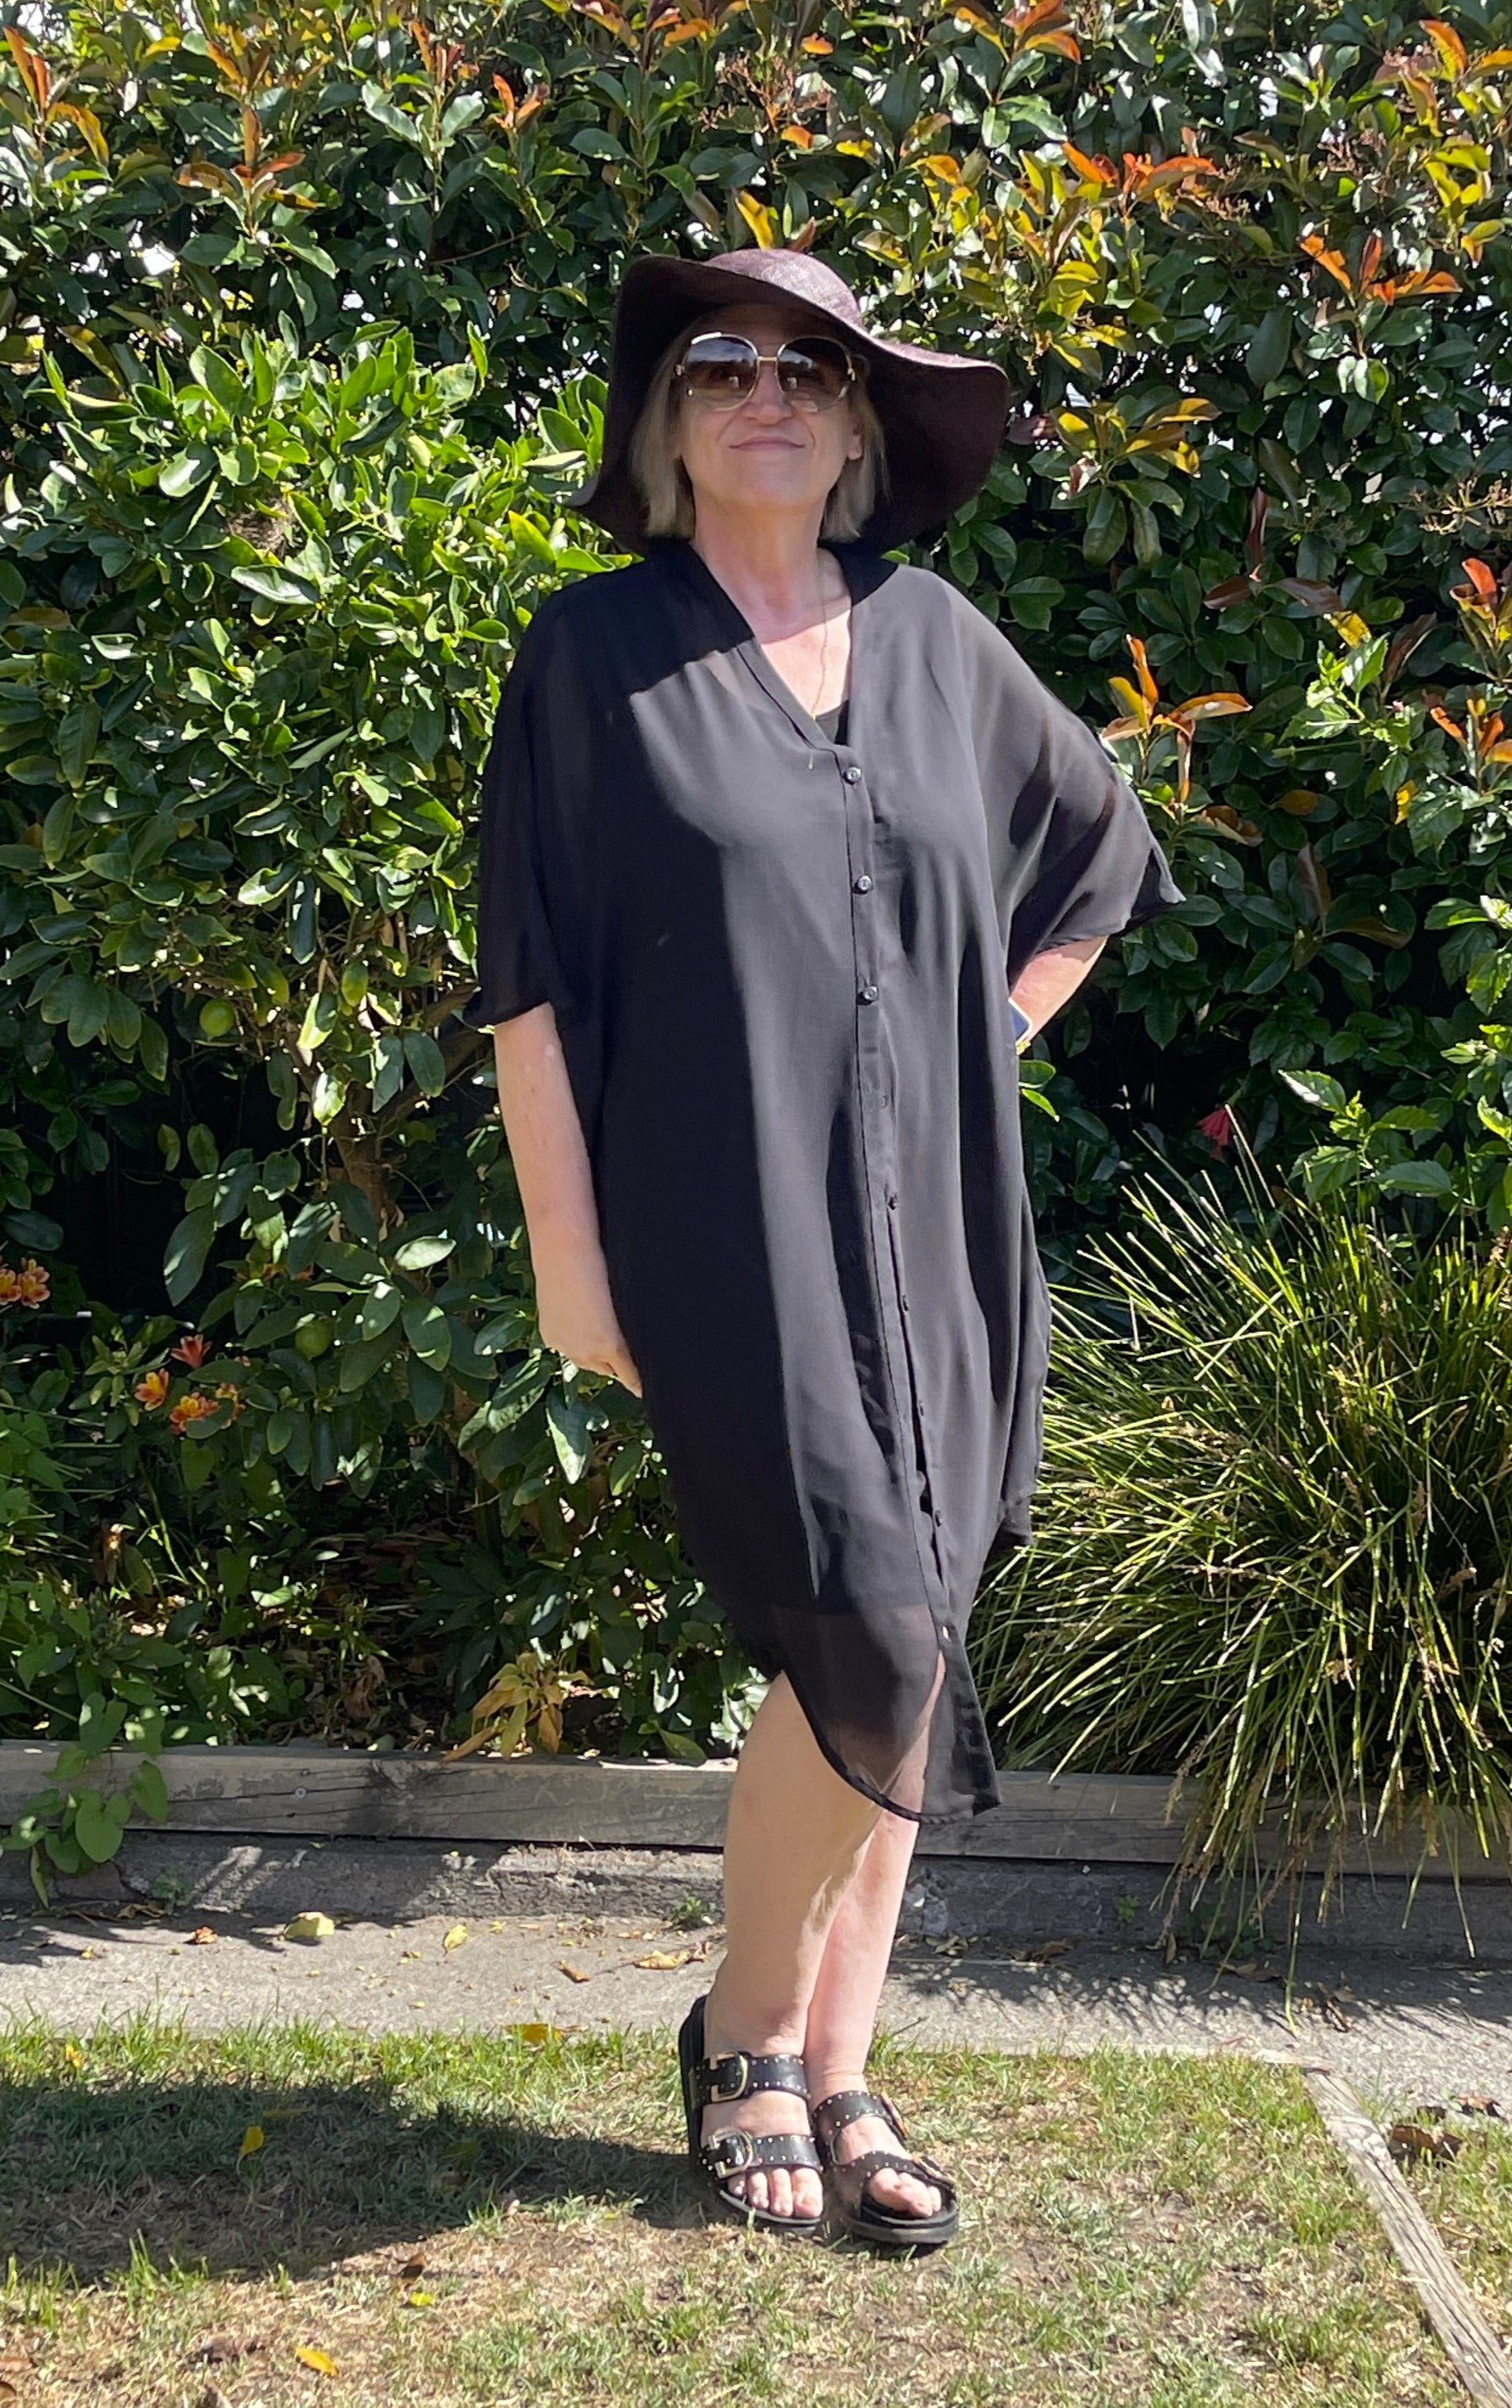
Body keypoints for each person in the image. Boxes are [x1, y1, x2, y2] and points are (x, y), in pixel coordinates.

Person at [465, 247, 1183, 2247]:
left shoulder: (941, 644)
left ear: (860, 425)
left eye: (808, 365)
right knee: (861, 1622)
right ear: (667, 423)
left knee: (919, 1635)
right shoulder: (588, 660)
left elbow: (1097, 867)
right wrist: (564, 1256)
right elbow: (529, 997)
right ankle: (743, 2034)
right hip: (727, 1216)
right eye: (717, 363)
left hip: (946, 1226)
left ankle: (837, 2068)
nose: (762, 389)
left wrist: (984, 1043)